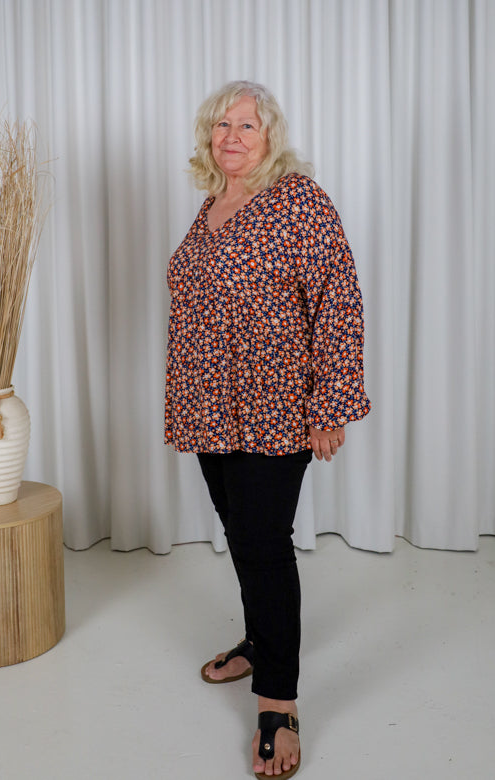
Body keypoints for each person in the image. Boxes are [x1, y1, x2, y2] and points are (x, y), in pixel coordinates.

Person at [164, 80, 370, 779]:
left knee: (262, 542)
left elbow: (338, 297)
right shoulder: (211, 205)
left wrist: (334, 403)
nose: (232, 136)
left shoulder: (299, 202)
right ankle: (260, 639)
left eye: (246, 125)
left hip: (276, 406)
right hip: (209, 405)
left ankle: (277, 702)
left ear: (270, 136)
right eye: (221, 125)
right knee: (244, 537)